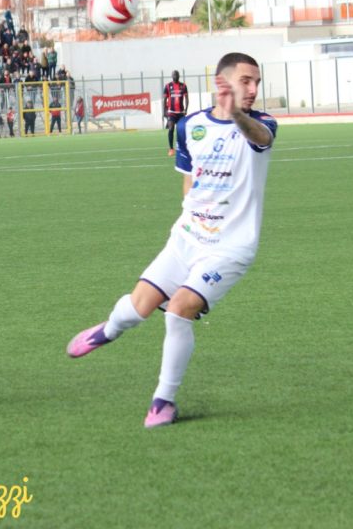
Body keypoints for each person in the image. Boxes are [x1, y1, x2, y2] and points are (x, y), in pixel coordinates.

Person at [67, 53, 277, 429]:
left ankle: (162, 401)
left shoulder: (261, 124)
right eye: (246, 81)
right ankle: (107, 330)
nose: (253, 89)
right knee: (138, 308)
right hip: (186, 239)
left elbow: (261, 138)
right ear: (222, 83)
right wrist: (191, 218)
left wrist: (235, 114)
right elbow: (188, 177)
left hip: (230, 248)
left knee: (179, 309)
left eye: (257, 82)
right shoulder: (189, 125)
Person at [163, 70, 189, 157]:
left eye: (177, 75)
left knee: (181, 130)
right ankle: (171, 149)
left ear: (179, 76)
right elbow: (164, 100)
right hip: (171, 112)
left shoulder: (183, 86)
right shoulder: (168, 86)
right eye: (174, 75)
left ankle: (182, 147)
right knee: (171, 128)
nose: (175, 76)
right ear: (172, 76)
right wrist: (164, 111)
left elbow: (187, 98)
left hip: (181, 112)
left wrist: (186, 109)